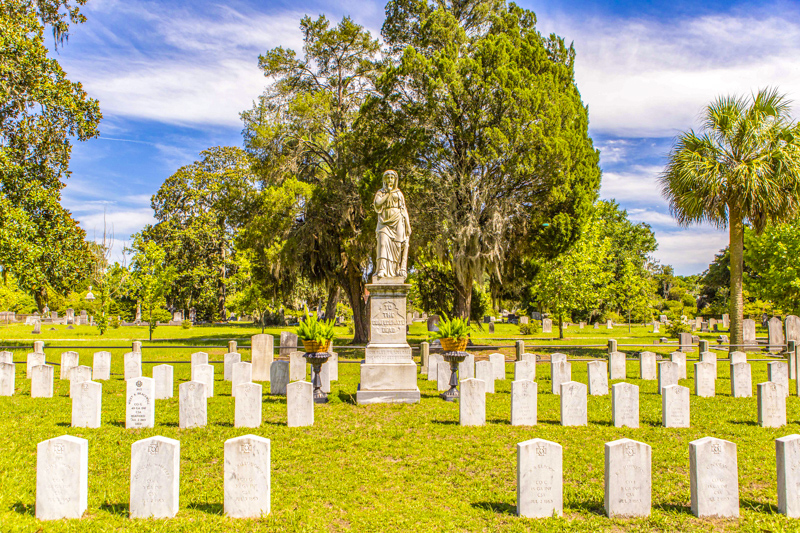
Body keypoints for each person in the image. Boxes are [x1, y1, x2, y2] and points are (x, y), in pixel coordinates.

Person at [374, 170, 411, 278]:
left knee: (397, 247)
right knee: (382, 244)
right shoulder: (380, 193)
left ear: (395, 180)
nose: (390, 180)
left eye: (392, 178)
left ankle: (395, 271)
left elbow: (403, 209)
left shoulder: (399, 193)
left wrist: (408, 225)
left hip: (398, 221)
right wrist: (388, 193)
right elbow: (377, 204)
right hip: (384, 223)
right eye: (388, 177)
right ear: (384, 180)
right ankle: (382, 269)